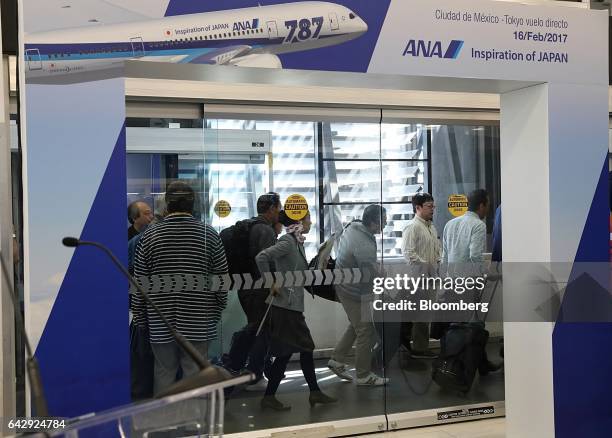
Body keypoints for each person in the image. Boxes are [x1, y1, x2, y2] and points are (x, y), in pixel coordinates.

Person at [132, 181, 229, 394]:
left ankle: (165, 423)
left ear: (167, 206)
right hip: (198, 317)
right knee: (195, 373)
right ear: (193, 205)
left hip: (160, 318)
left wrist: (140, 317)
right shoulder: (208, 234)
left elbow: (139, 282)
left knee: (163, 372)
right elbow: (221, 279)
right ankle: (194, 425)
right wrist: (217, 308)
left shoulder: (150, 236)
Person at [256, 211, 337, 410]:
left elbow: (296, 272)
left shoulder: (297, 242)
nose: (310, 222)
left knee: (286, 353)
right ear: (299, 222)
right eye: (308, 219)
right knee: (305, 347)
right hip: (285, 308)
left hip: (289, 306)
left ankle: (273, 396)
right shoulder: (287, 242)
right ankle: (313, 393)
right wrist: (270, 282)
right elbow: (262, 257)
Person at [225, 192, 281, 391]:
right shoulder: (265, 231)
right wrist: (275, 281)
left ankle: (254, 367)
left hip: (244, 287)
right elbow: (267, 261)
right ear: (272, 208)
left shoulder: (248, 227)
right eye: (279, 207)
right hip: (259, 288)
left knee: (257, 327)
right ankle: (252, 371)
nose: (280, 212)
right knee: (262, 330)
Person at [441, 188, 501, 374]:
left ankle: (466, 364)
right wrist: (485, 275)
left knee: (455, 325)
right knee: (473, 326)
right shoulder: (478, 225)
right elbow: (475, 256)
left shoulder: (450, 224)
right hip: (468, 283)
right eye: (487, 205)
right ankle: (463, 368)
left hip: (451, 282)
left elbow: (444, 256)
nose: (488, 209)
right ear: (481, 205)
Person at [328, 205, 389, 386]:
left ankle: (337, 360)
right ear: (372, 222)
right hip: (353, 291)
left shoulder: (355, 228)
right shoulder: (364, 243)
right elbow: (369, 271)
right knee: (365, 330)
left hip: (346, 287)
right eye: (383, 221)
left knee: (357, 326)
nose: (385, 225)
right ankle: (363, 375)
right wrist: (381, 273)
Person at [400, 193, 440, 359]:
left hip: (431, 277)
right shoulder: (413, 227)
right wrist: (427, 266)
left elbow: (437, 251)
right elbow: (408, 253)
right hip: (419, 278)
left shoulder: (431, 227)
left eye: (433, 206)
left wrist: (438, 265)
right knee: (420, 315)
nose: (433, 209)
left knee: (425, 314)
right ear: (418, 208)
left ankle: (418, 346)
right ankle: (419, 348)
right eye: (429, 206)